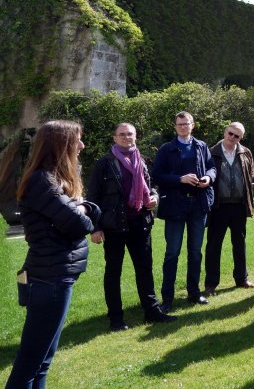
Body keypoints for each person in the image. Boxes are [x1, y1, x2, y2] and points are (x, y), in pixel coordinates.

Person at [6, 121, 100, 389]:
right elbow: (80, 223)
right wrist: (82, 210)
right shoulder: (41, 181)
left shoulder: (54, 179)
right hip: (49, 279)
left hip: (56, 276)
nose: (82, 146)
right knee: (30, 363)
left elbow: (88, 212)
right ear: (61, 145)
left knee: (43, 360)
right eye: (77, 140)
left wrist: (83, 209)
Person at [86, 123, 175, 331]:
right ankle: (116, 319)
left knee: (144, 269)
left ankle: (152, 312)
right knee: (113, 272)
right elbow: (93, 198)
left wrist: (153, 197)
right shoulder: (104, 163)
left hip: (140, 223)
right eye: (122, 134)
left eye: (130, 134)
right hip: (114, 226)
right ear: (114, 138)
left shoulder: (141, 160)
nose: (127, 137)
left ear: (135, 136)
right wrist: (95, 228)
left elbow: (150, 185)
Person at [152, 111, 216, 311]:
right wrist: (180, 179)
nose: (182, 126)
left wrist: (208, 178)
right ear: (175, 126)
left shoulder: (201, 146)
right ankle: (167, 299)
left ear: (192, 125)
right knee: (172, 252)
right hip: (175, 206)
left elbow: (212, 167)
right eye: (179, 124)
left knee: (195, 252)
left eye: (186, 123)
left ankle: (194, 293)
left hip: (198, 204)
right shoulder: (166, 149)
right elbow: (157, 176)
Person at [204, 122, 254, 295]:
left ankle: (242, 279)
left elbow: (250, 175)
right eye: (230, 133)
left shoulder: (245, 152)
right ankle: (211, 284)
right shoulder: (211, 152)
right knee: (213, 245)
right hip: (218, 207)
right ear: (225, 131)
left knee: (239, 244)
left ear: (241, 137)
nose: (232, 138)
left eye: (237, 136)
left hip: (239, 206)